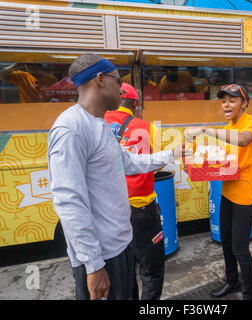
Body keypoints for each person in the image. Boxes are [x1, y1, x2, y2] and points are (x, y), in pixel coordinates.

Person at [47, 53, 184, 300]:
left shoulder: (99, 125)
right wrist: (94, 265)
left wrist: (170, 155)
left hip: (121, 246)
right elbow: (69, 201)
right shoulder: (71, 129)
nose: (122, 90)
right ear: (100, 79)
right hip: (102, 258)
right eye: (118, 82)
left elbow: (128, 161)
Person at [185, 84, 252, 300]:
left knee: (240, 248)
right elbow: (225, 161)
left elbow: (245, 140)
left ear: (244, 103)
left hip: (245, 193)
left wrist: (205, 130)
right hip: (227, 193)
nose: (226, 104)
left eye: (232, 100)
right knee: (226, 243)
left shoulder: (251, 122)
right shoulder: (228, 127)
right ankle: (232, 283)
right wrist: (194, 163)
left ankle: (251, 294)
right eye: (223, 100)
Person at [104, 83, 165, 300]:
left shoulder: (97, 125)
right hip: (142, 209)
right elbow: (157, 164)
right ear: (135, 103)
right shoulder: (148, 127)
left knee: (123, 267)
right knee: (151, 267)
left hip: (111, 211)